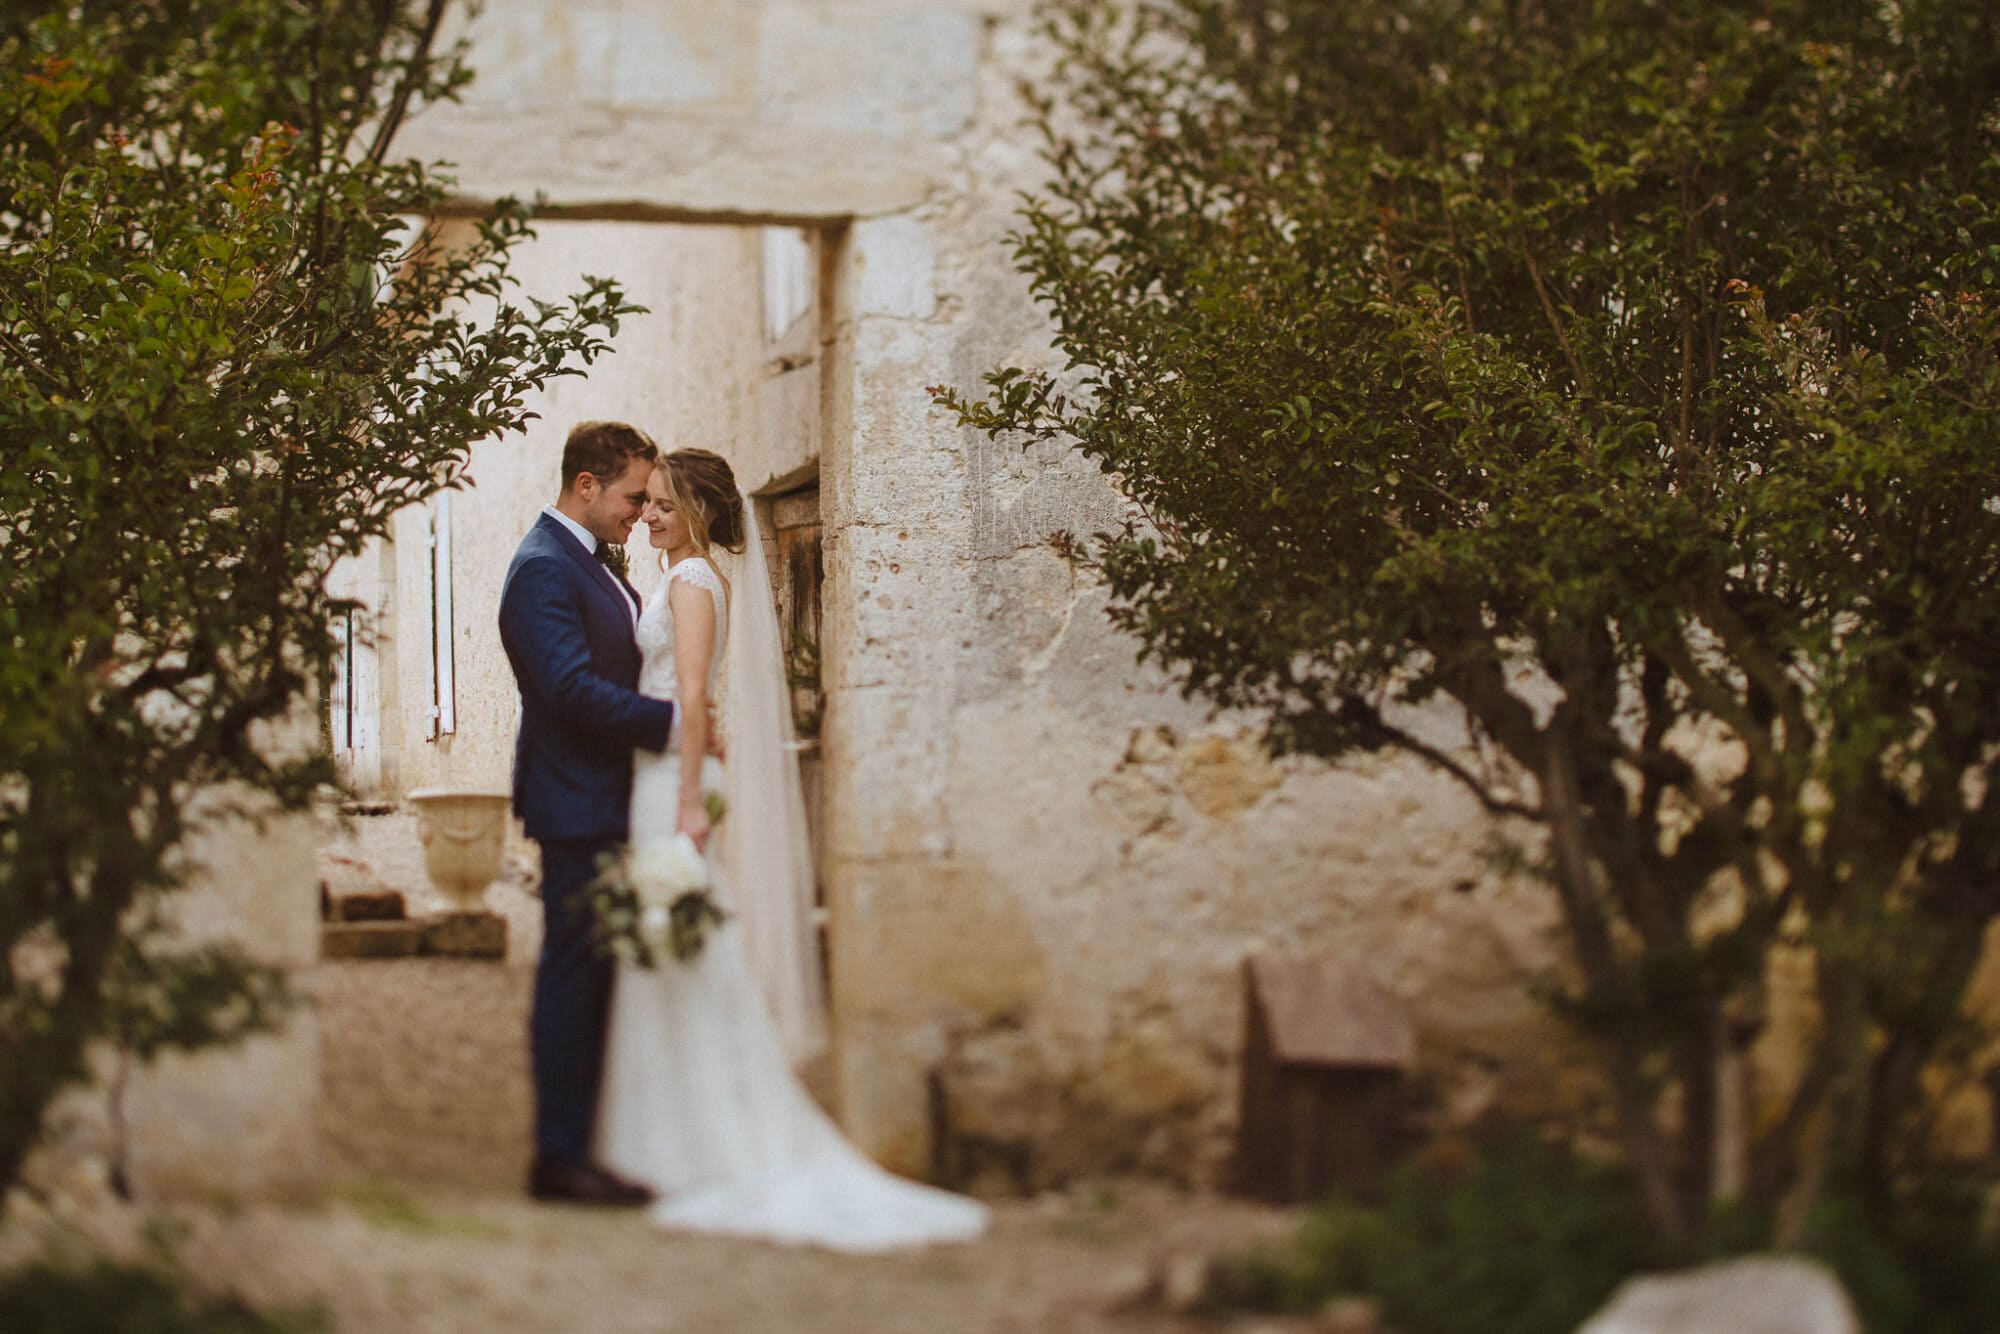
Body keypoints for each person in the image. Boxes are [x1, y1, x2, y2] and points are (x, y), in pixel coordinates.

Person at [596, 447, 989, 1251]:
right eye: (652, 503)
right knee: (665, 956)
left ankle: (703, 1140)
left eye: (668, 504)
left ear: (701, 513)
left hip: (672, 783)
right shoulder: (679, 580)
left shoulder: (695, 582)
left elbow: (696, 695)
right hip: (658, 774)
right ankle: (660, 1133)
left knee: (685, 953)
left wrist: (687, 808)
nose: (653, 517)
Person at [497, 421, 671, 1207]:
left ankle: (585, 1141)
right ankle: (558, 1159)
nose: (641, 510)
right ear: (586, 485)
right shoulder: (542, 568)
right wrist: (673, 726)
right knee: (573, 975)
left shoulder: (588, 562)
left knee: (597, 973)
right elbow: (566, 689)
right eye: (634, 496)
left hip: (604, 795)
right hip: (574, 800)